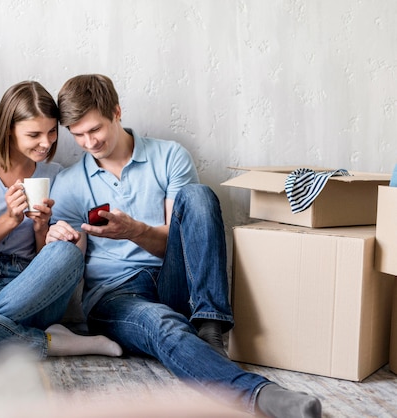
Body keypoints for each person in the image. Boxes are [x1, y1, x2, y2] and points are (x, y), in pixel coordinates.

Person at [47, 74, 321, 417]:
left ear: (117, 112)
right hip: (114, 297)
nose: (88, 142)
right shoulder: (70, 183)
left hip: (172, 279)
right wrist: (56, 237)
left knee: (199, 195)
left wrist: (134, 231)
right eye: (78, 135)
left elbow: (174, 246)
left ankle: (210, 328)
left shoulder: (169, 156)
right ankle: (263, 396)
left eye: (95, 129)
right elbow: (71, 263)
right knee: (162, 323)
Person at [0, 80, 122, 359]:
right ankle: (51, 342)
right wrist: (9, 221)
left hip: (33, 289)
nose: (46, 143)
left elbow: (49, 262)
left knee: (69, 250)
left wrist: (42, 230)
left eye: (51, 132)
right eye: (34, 134)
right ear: (8, 130)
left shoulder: (59, 175)